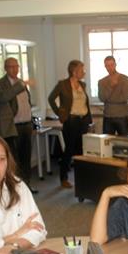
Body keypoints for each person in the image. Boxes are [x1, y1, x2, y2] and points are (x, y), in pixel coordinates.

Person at [48, 59, 92, 189]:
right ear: (74, 71)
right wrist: (60, 113)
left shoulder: (83, 85)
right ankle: (64, 178)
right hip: (71, 121)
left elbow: (84, 103)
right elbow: (51, 99)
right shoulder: (62, 84)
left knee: (82, 151)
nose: (84, 72)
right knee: (69, 150)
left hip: (83, 120)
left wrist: (88, 119)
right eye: (82, 70)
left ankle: (82, 178)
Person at [0, 57, 36, 193]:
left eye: (17, 66)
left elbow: (27, 101)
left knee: (26, 158)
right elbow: (4, 100)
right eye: (11, 66)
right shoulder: (1, 84)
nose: (15, 69)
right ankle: (16, 189)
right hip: (14, 126)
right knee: (15, 160)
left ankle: (27, 186)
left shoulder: (21, 82)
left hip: (27, 125)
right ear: (6, 68)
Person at [97, 55, 128, 136]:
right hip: (108, 116)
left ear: (115, 65)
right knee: (107, 143)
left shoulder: (126, 79)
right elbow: (102, 98)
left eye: (111, 65)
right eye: (107, 65)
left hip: (122, 116)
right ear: (105, 66)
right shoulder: (102, 82)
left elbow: (124, 97)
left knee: (124, 142)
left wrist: (109, 100)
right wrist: (111, 87)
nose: (109, 67)